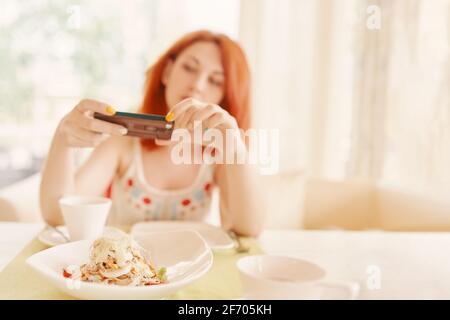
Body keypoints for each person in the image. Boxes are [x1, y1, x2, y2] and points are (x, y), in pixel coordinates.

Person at [40, 30, 264, 236]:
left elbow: (248, 229)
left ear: (224, 97)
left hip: (189, 269)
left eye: (215, 81)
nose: (197, 85)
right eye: (189, 68)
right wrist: (62, 139)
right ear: (167, 72)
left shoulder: (217, 154)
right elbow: (59, 216)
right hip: (125, 272)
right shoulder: (122, 143)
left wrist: (236, 149)